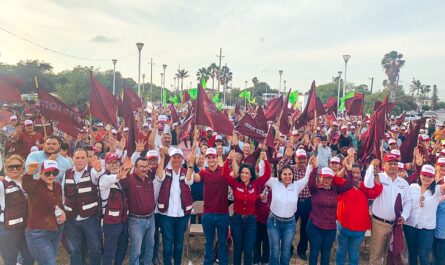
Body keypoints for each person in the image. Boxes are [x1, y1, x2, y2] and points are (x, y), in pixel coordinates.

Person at [222, 151, 271, 265]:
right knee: (238, 248)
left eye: (247, 173)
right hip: (237, 220)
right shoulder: (235, 183)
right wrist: (228, 159)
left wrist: (265, 160)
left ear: (251, 175)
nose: (244, 175)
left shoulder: (256, 184)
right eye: (242, 172)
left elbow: (267, 175)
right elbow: (224, 174)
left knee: (249, 249)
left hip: (251, 221)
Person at [364, 154, 413, 265]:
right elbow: (367, 184)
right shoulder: (378, 177)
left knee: (393, 257)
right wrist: (372, 166)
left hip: (396, 225)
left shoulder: (403, 183)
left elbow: (408, 202)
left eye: (395, 164)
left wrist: (404, 216)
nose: (393, 166)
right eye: (390, 163)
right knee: (376, 256)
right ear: (384, 165)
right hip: (379, 224)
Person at [266, 154, 313, 265]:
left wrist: (310, 164)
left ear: (293, 175)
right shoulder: (274, 182)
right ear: (280, 175)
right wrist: (263, 161)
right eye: (285, 174)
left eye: (290, 174)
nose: (287, 176)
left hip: (289, 224)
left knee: (286, 251)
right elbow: (263, 175)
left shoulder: (296, 185)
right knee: (275, 250)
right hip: (274, 222)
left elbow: (307, 177)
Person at [306, 158, 352, 265]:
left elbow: (349, 185)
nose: (327, 180)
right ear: (320, 178)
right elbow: (311, 181)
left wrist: (348, 171)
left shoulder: (335, 190)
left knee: (326, 254)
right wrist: (315, 168)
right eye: (325, 178)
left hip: (330, 228)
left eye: (330, 178)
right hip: (315, 226)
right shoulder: (315, 189)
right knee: (314, 253)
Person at [189, 147, 230, 265]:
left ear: (216, 158)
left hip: (222, 213)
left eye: (213, 157)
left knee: (222, 242)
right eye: (209, 157)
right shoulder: (204, 172)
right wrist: (191, 166)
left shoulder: (223, 170)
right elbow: (194, 178)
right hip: (208, 213)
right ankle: (208, 262)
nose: (211, 159)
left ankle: (223, 262)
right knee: (208, 242)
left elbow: (234, 174)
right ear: (206, 159)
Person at [336, 164, 383, 265]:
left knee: (353, 252)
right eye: (353, 172)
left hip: (359, 230)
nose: (356, 175)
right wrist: (344, 167)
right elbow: (335, 179)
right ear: (349, 173)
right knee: (341, 250)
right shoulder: (344, 184)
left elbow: (377, 191)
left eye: (357, 173)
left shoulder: (364, 186)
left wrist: (375, 174)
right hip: (343, 226)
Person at [62, 148, 102, 265]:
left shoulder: (93, 171)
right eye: (77, 157)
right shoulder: (67, 173)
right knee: (74, 250)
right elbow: (63, 194)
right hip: (72, 219)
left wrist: (99, 170)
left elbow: (101, 178)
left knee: (95, 248)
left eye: (82, 157)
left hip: (90, 218)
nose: (79, 160)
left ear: (87, 159)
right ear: (73, 159)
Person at [23, 160, 66, 265]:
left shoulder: (57, 186)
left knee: (48, 261)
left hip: (56, 230)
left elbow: (59, 204)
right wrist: (29, 173)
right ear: (41, 173)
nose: (51, 176)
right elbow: (26, 184)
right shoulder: (35, 186)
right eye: (47, 173)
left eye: (54, 173)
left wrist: (64, 213)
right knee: (49, 263)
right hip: (38, 233)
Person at [156, 147, 193, 265]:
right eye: (174, 157)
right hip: (166, 215)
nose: (177, 159)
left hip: (182, 215)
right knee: (167, 242)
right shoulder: (165, 171)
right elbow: (159, 176)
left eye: (179, 157)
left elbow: (189, 180)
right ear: (170, 159)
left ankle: (177, 263)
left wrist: (190, 166)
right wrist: (162, 158)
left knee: (179, 242)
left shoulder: (186, 171)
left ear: (182, 159)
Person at [404, 164, 445, 265]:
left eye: (430, 176)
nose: (426, 178)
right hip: (410, 226)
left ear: (434, 177)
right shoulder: (412, 187)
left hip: (427, 229)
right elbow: (407, 204)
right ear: (420, 175)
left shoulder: (437, 190)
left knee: (423, 256)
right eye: (424, 175)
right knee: (412, 254)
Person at [120, 156, 158, 265]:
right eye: (141, 166)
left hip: (151, 219)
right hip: (136, 221)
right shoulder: (129, 179)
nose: (144, 169)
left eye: (146, 166)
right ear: (135, 168)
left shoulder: (149, 178)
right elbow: (122, 181)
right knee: (136, 250)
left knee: (150, 246)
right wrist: (125, 169)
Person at [97, 152, 131, 265]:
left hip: (123, 221)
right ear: (105, 165)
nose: (114, 165)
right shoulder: (104, 179)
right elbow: (110, 179)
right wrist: (118, 176)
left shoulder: (121, 179)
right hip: (110, 223)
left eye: (116, 162)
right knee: (109, 251)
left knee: (123, 246)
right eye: (110, 163)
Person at [277, 147, 310, 260]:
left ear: (306, 159)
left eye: (303, 158)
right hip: (294, 202)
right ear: (295, 158)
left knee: (305, 229)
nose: (301, 161)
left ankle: (302, 250)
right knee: (290, 227)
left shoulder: (309, 169)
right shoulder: (291, 169)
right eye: (299, 158)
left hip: (307, 202)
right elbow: (280, 168)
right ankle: (289, 248)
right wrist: (286, 156)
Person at [0, 155, 34, 265]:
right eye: (11, 167)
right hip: (9, 230)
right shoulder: (2, 184)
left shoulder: (26, 182)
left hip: (26, 228)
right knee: (10, 260)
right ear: (5, 168)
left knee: (29, 258)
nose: (14, 169)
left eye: (18, 166)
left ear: (22, 168)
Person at [434, 157, 445, 265]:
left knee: (441, 245)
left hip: (442, 216)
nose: (443, 167)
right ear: (436, 166)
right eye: (441, 165)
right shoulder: (430, 178)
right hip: (431, 216)